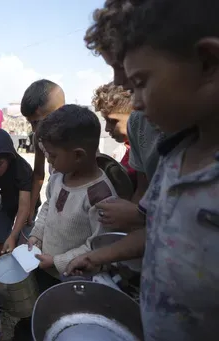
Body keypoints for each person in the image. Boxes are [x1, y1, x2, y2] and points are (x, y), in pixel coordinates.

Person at [68, 1, 219, 339]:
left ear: (208, 62)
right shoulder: (172, 158)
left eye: (139, 82)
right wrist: (101, 256)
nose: (133, 101)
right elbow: (158, 232)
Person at [82, 0, 164, 231]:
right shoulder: (140, 123)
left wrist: (140, 217)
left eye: (121, 66)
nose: (118, 80)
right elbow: (144, 191)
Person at [26, 104, 117, 277]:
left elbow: (98, 246)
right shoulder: (58, 177)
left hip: (74, 277)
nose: (48, 160)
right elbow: (48, 207)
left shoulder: (100, 196)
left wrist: (57, 261)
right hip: (45, 265)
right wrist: (36, 236)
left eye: (53, 155)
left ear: (78, 155)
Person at [0, 128, 38, 253]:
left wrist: (13, 235)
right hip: (7, 201)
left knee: (22, 240)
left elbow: (24, 206)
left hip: (28, 202)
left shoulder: (22, 169)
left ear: (9, 158)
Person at [20, 80, 65, 225]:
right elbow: (39, 174)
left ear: (60, 111)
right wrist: (31, 209)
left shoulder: (79, 136)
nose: (34, 130)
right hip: (54, 199)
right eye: (30, 123)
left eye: (37, 122)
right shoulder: (39, 138)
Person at [92, 82, 136, 188]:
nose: (107, 128)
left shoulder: (149, 153)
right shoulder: (125, 150)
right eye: (106, 121)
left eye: (113, 121)